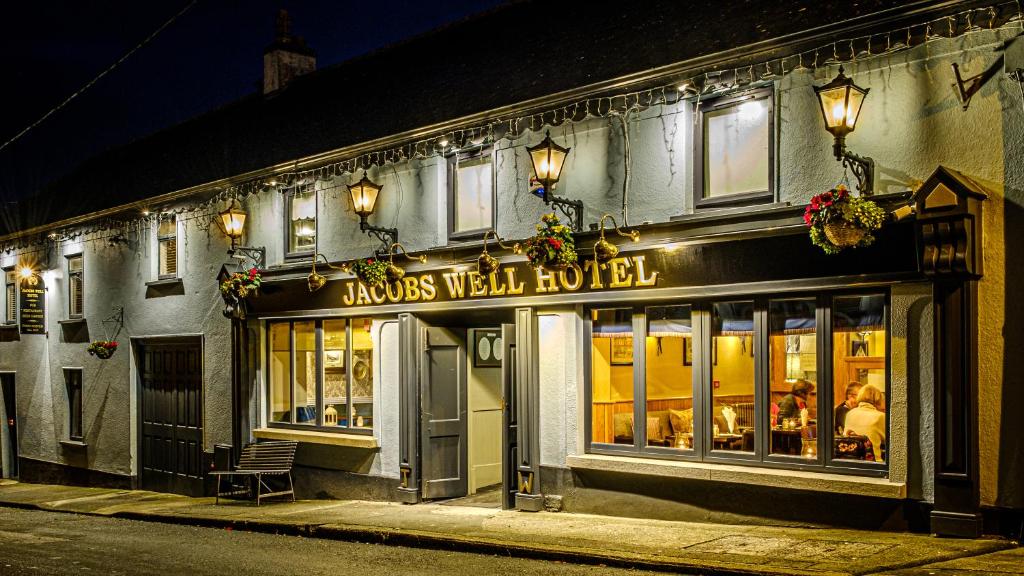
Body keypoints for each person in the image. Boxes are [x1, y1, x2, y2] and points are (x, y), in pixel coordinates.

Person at [843, 384, 886, 462]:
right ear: (878, 399)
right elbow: (891, 441)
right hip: (872, 462)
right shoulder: (880, 416)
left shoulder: (849, 414)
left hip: (851, 460)